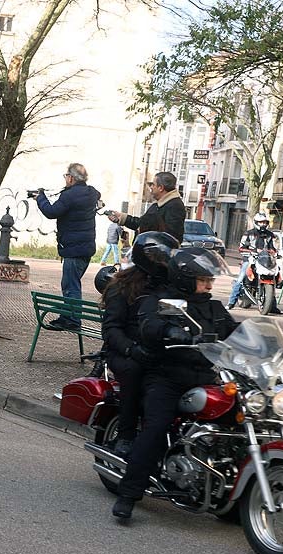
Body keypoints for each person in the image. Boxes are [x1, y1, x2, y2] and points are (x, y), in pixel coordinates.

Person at [111, 247, 236, 519]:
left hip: (205, 377)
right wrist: (169, 329)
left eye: (210, 279)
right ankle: (128, 493)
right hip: (166, 376)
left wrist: (263, 345)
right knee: (156, 426)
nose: (209, 284)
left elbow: (234, 330)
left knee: (236, 421)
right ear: (185, 278)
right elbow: (149, 324)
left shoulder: (214, 306)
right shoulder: (163, 300)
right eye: (204, 279)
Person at [99, 232, 180, 459]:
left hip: (159, 350)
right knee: (134, 372)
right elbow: (111, 329)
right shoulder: (122, 286)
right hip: (124, 352)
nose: (166, 263)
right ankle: (125, 435)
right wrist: (131, 349)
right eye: (162, 258)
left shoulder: (170, 286)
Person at [35, 163, 101, 330]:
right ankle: (68, 316)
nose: (65, 179)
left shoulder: (70, 196)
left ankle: (72, 320)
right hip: (85, 247)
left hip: (73, 248)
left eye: (65, 176)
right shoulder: (91, 193)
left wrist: (40, 198)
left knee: (71, 285)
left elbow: (51, 212)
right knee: (71, 284)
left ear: (71, 178)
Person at [106, 172, 186, 243]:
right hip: (145, 255)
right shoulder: (157, 205)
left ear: (161, 188)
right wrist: (121, 218)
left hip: (156, 257)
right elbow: (142, 224)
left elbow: (173, 238)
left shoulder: (174, 206)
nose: (151, 187)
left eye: (153, 184)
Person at [228, 211, 280, 311]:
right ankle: (231, 302)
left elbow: (273, 247)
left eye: (265, 222)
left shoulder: (270, 235)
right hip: (250, 259)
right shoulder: (249, 233)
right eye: (261, 222)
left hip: (264, 259)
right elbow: (241, 248)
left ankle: (273, 306)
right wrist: (253, 251)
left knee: (275, 276)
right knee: (240, 279)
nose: (263, 224)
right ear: (256, 222)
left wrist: (275, 252)